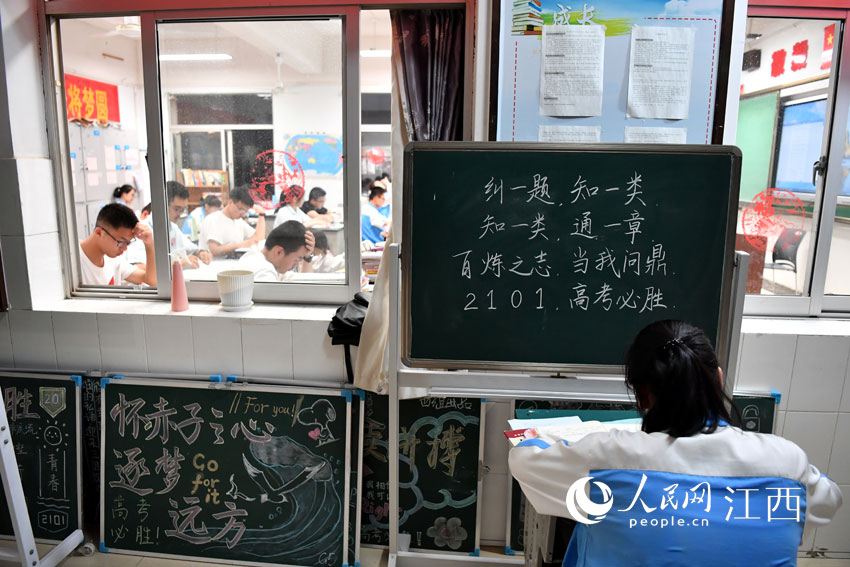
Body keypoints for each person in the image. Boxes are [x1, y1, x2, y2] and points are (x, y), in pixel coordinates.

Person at [509, 320, 842, 567]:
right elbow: (827, 501)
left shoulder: (604, 458)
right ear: (720, 379)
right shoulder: (787, 463)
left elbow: (524, 461)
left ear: (641, 395)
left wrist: (534, 441)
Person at [129, 181, 211, 269]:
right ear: (162, 204)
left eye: (183, 209)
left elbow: (191, 248)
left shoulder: (172, 227)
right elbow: (138, 266)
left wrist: (201, 253)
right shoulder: (143, 230)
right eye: (177, 209)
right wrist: (177, 263)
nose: (180, 214)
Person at [78, 203, 156, 286]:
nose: (124, 249)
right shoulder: (74, 262)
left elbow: (151, 281)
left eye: (127, 243)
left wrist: (149, 243)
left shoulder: (114, 260)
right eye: (121, 242)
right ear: (99, 232)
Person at [234, 220, 314, 282]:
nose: (297, 264)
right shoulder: (264, 272)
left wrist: (307, 257)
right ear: (278, 252)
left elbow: (303, 280)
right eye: (297, 259)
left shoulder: (260, 257)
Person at [199, 187, 266, 258]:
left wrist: (261, 214)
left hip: (233, 264)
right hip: (214, 265)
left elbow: (259, 238)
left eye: (246, 211)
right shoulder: (213, 219)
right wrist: (243, 244)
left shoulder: (238, 221)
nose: (242, 214)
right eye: (240, 209)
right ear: (230, 202)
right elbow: (215, 250)